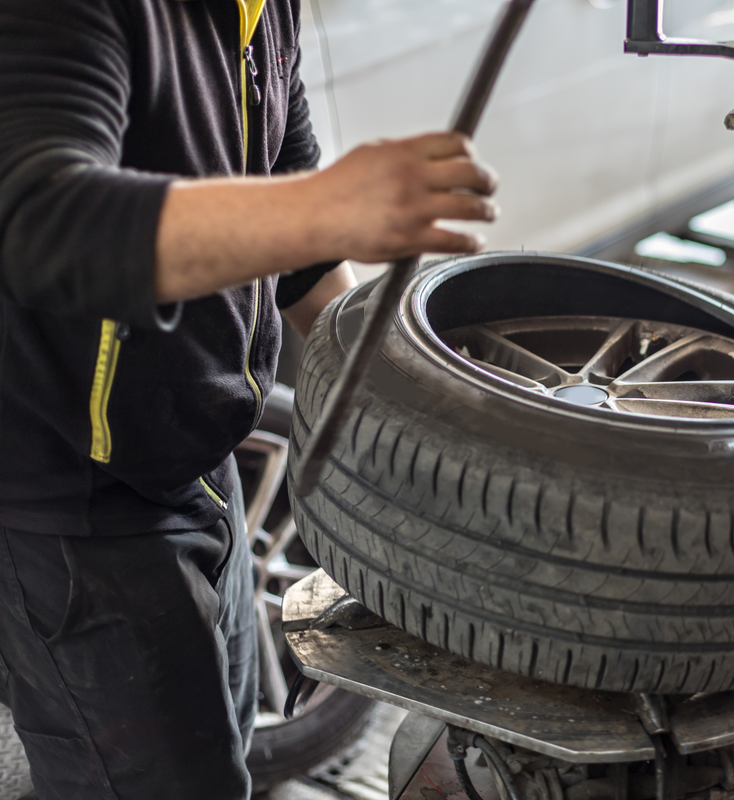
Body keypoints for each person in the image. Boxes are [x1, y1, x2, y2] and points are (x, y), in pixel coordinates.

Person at [0, 0, 498, 797]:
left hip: (200, 457)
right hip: (75, 497)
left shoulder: (261, 7)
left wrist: (405, 394)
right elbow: (40, 220)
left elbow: (290, 232)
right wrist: (329, 204)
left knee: (217, 761)